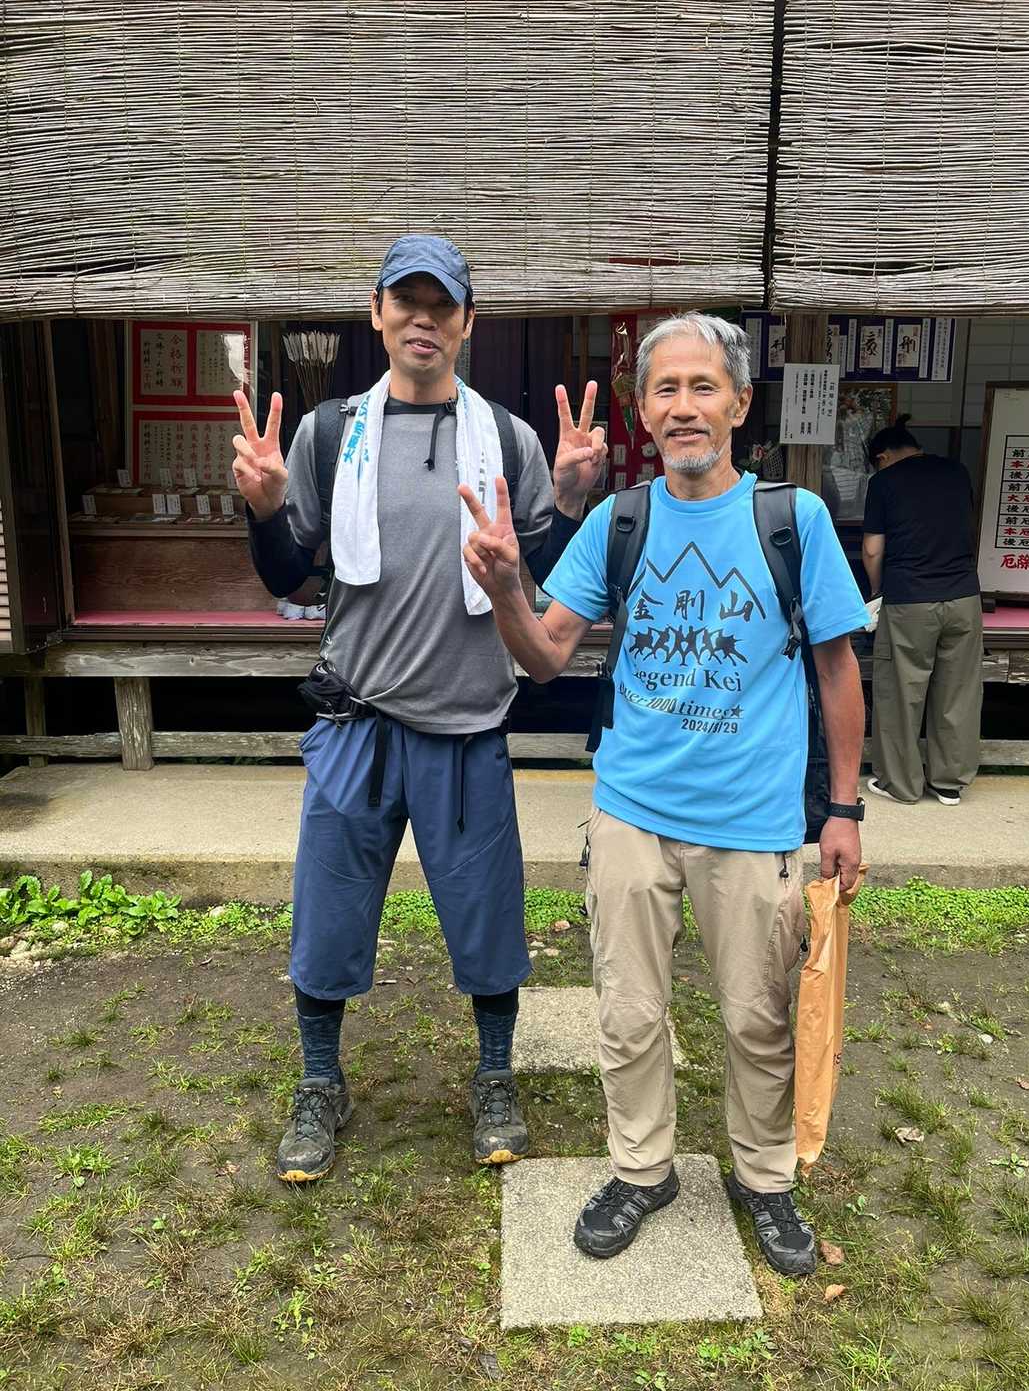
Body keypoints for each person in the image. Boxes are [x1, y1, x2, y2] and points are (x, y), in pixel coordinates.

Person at [459, 312, 867, 1277]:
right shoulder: (620, 522)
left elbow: (837, 667)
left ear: (740, 404)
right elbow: (546, 655)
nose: (685, 407)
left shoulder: (794, 520)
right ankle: (641, 1169)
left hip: (755, 822)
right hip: (632, 813)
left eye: (703, 387)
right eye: (666, 390)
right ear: (643, 411)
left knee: (757, 1016)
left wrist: (844, 810)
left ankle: (765, 1178)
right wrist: (510, 589)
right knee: (629, 1011)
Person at [231, 234, 607, 1181]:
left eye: (443, 306)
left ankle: (495, 1075)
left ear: (468, 322)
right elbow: (289, 575)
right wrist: (266, 510)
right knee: (327, 915)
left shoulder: (509, 440)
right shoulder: (330, 434)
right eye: (407, 302)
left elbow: (539, 576)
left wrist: (567, 502)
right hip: (355, 721)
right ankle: (321, 1081)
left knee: (488, 916)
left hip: (468, 721)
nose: (423, 320)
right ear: (378, 313)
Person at [861, 418, 982, 807]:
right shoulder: (957, 472)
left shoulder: (884, 482)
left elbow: (873, 550)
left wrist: (877, 591)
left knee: (901, 692)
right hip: (964, 597)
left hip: (910, 598)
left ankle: (902, 784)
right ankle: (949, 783)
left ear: (882, 457)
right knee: (958, 691)